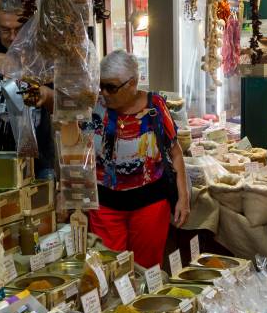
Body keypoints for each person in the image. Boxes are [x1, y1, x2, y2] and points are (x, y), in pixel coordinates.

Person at [39, 51, 189, 269]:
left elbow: (175, 152)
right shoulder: (95, 105)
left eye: (111, 87)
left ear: (133, 83)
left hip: (150, 204)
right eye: (101, 86)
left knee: (146, 268)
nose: (105, 93)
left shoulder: (155, 106)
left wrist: (183, 198)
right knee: (109, 266)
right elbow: (70, 132)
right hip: (105, 206)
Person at [0, 0, 55, 176]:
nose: (13, 37)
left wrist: (45, 94)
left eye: (19, 29)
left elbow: (64, 105)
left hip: (38, 160)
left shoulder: (44, 50)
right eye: (5, 30)